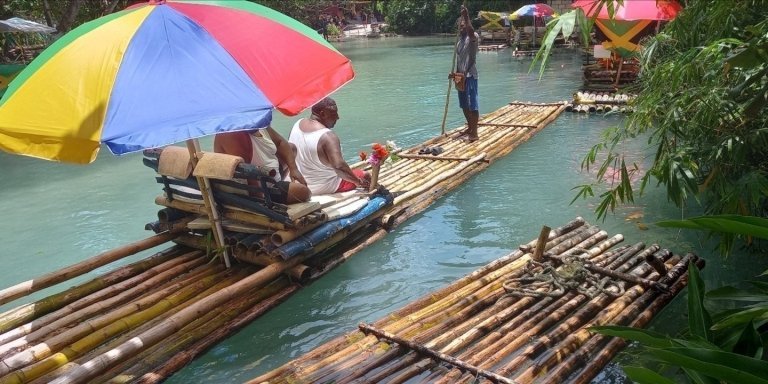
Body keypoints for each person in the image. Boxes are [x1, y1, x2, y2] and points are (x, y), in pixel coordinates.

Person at [288, 97, 370, 195]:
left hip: (300, 184)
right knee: (365, 175)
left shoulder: (298, 124)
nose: (337, 117)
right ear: (322, 114)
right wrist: (358, 182)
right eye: (334, 114)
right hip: (323, 186)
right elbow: (339, 166)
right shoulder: (328, 137)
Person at [214, 126, 311, 204]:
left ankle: (280, 184)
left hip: (268, 173)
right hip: (257, 186)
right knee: (304, 192)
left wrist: (294, 169)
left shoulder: (260, 124)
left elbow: (281, 142)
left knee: (291, 148)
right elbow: (247, 173)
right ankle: (276, 192)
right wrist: (262, 202)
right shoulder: (232, 134)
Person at [450, 5, 480, 142]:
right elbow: (459, 60)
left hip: (470, 76)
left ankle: (475, 132)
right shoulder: (459, 41)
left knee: (472, 104)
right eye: (460, 26)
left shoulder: (472, 37)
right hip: (461, 77)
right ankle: (470, 127)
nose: (462, 28)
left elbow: (471, 31)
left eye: (463, 26)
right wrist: (455, 75)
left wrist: (467, 17)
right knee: (464, 104)